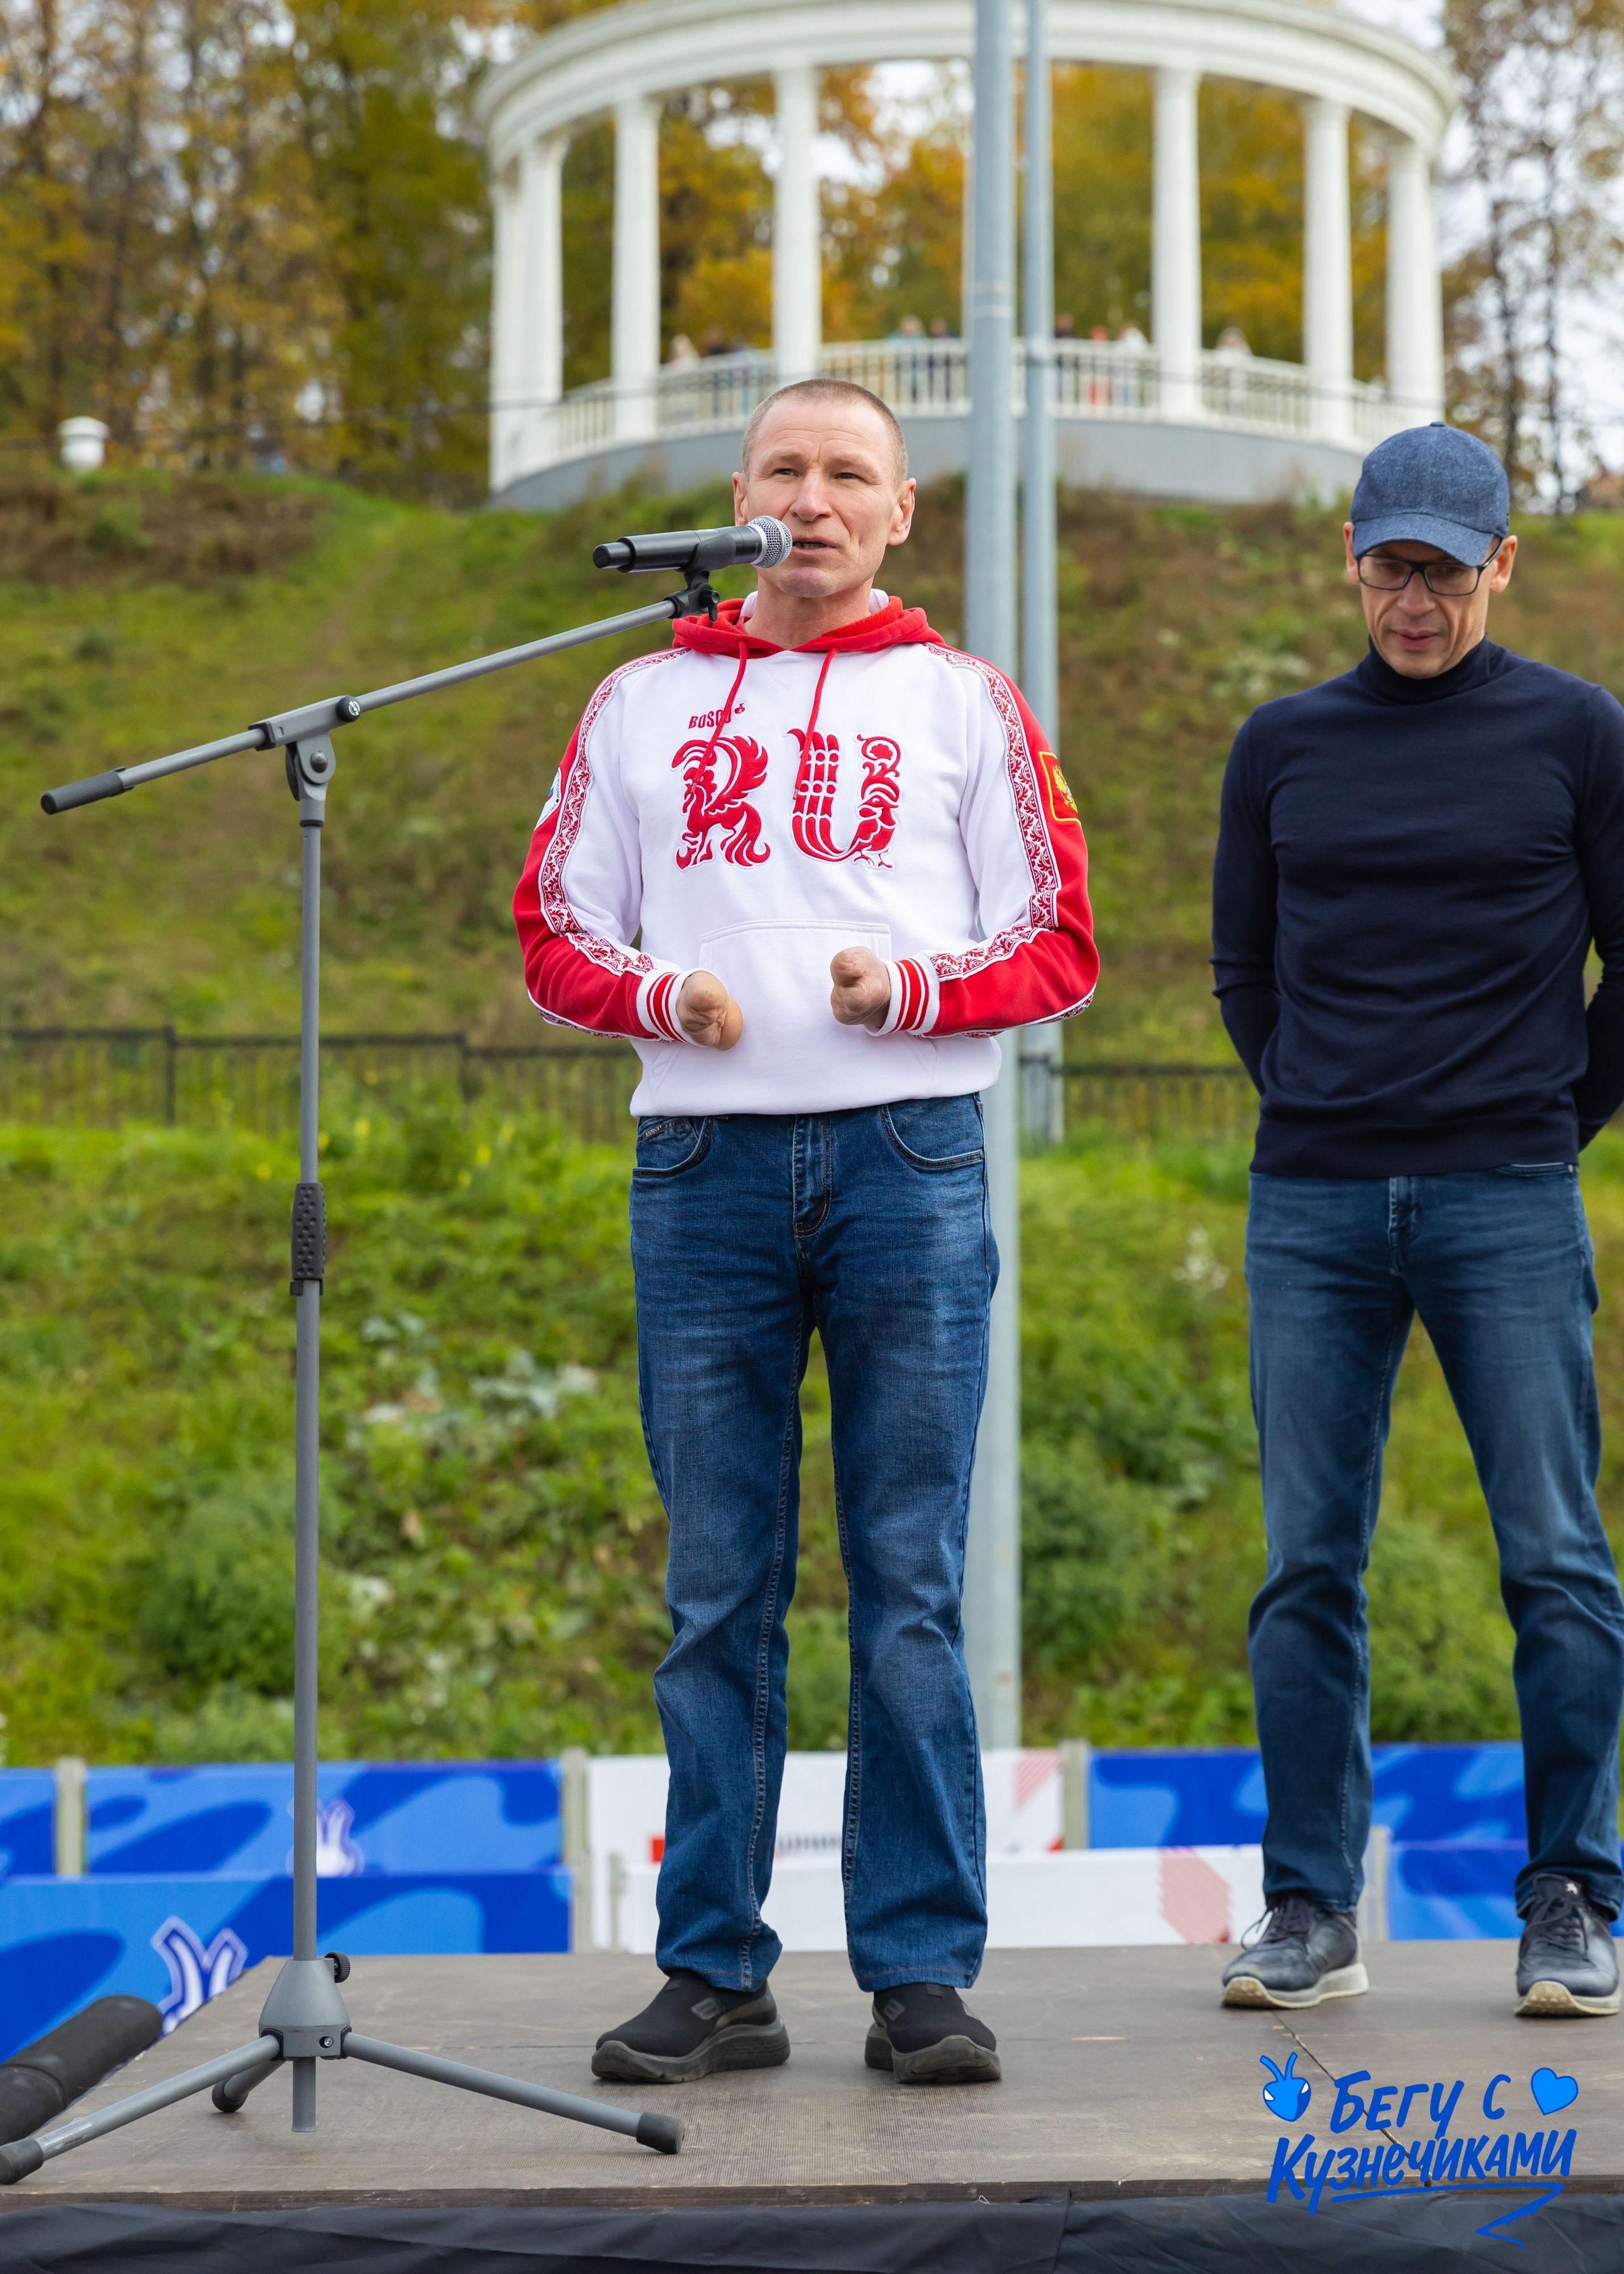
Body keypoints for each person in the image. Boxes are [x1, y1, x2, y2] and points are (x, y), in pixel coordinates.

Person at [513, 378, 1097, 2084]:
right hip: (702, 1170)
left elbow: (1057, 939)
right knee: (717, 1589)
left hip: (910, 1159)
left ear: (903, 510)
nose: (818, 497)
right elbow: (556, 925)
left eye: (852, 473)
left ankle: (919, 1975)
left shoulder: (962, 701)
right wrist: (654, 993)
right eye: (788, 468)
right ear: (740, 494)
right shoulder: (637, 698)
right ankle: (716, 1973)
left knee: (906, 1584)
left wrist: (910, 988)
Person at [1211, 421, 1624, 2018]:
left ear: (1499, 567)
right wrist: (1314, 1096)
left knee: (1556, 1560)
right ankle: (1307, 1908)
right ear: (1349, 557)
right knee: (1306, 1564)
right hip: (1308, 1199)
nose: (1412, 599)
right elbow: (1242, 970)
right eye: (1388, 567)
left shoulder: (1580, 735)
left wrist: (1536, 1120)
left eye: (1443, 572)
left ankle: (1572, 1898)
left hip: (1505, 1195)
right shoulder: (1279, 745)